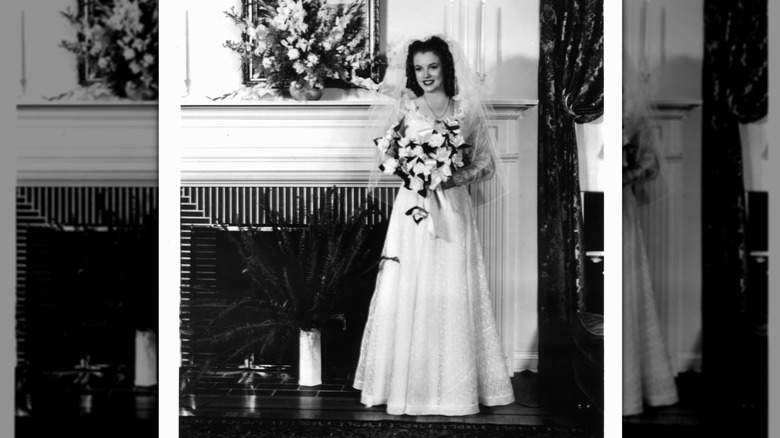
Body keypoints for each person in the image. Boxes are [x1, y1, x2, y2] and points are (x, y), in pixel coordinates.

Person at [353, 35, 515, 416]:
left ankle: (454, 388)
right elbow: (387, 152)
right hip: (413, 210)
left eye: (433, 66)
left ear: (446, 67)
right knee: (410, 285)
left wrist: (447, 177)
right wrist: (413, 170)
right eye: (419, 68)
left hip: (453, 208)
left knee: (452, 284)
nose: (426, 75)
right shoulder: (406, 108)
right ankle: (403, 386)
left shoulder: (465, 111)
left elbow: (486, 165)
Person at [622, 54, 679, 416]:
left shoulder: (632, 109)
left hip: (623, 208)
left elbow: (651, 164)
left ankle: (634, 389)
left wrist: (622, 175)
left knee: (629, 288)